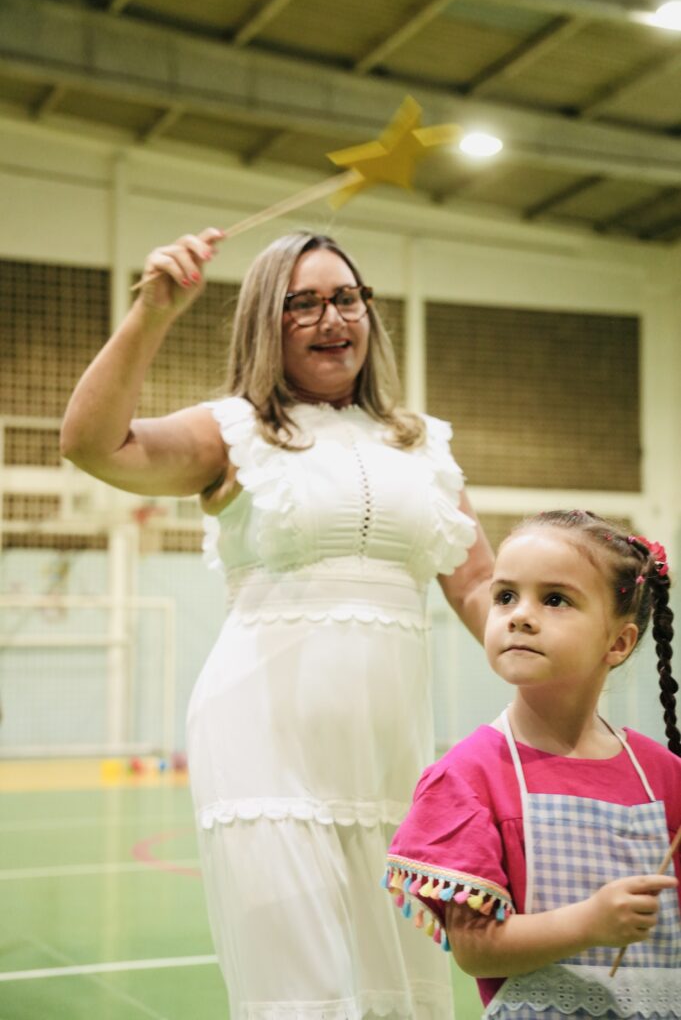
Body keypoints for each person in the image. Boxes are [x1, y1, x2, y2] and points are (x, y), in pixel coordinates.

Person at [60, 227, 494, 1018]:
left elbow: (481, 589)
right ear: (266, 320)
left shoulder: (422, 445)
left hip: (389, 763)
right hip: (263, 756)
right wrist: (154, 312)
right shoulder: (233, 432)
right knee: (305, 996)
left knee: (403, 994)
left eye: (346, 298)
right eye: (303, 304)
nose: (332, 317)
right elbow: (92, 444)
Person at [384, 509, 681, 1019]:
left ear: (618, 642)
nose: (519, 615)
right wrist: (589, 924)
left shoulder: (663, 775)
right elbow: (475, 950)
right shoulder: (469, 776)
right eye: (505, 596)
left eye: (555, 599)